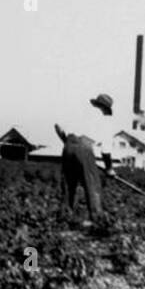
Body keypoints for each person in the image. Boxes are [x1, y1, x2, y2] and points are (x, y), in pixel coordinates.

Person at [54, 93, 115, 222]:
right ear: (106, 109)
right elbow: (106, 149)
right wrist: (109, 168)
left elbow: (58, 126)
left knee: (68, 185)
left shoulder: (80, 113)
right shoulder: (105, 120)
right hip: (85, 147)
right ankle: (98, 220)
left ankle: (64, 218)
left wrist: (68, 144)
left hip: (68, 146)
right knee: (92, 185)